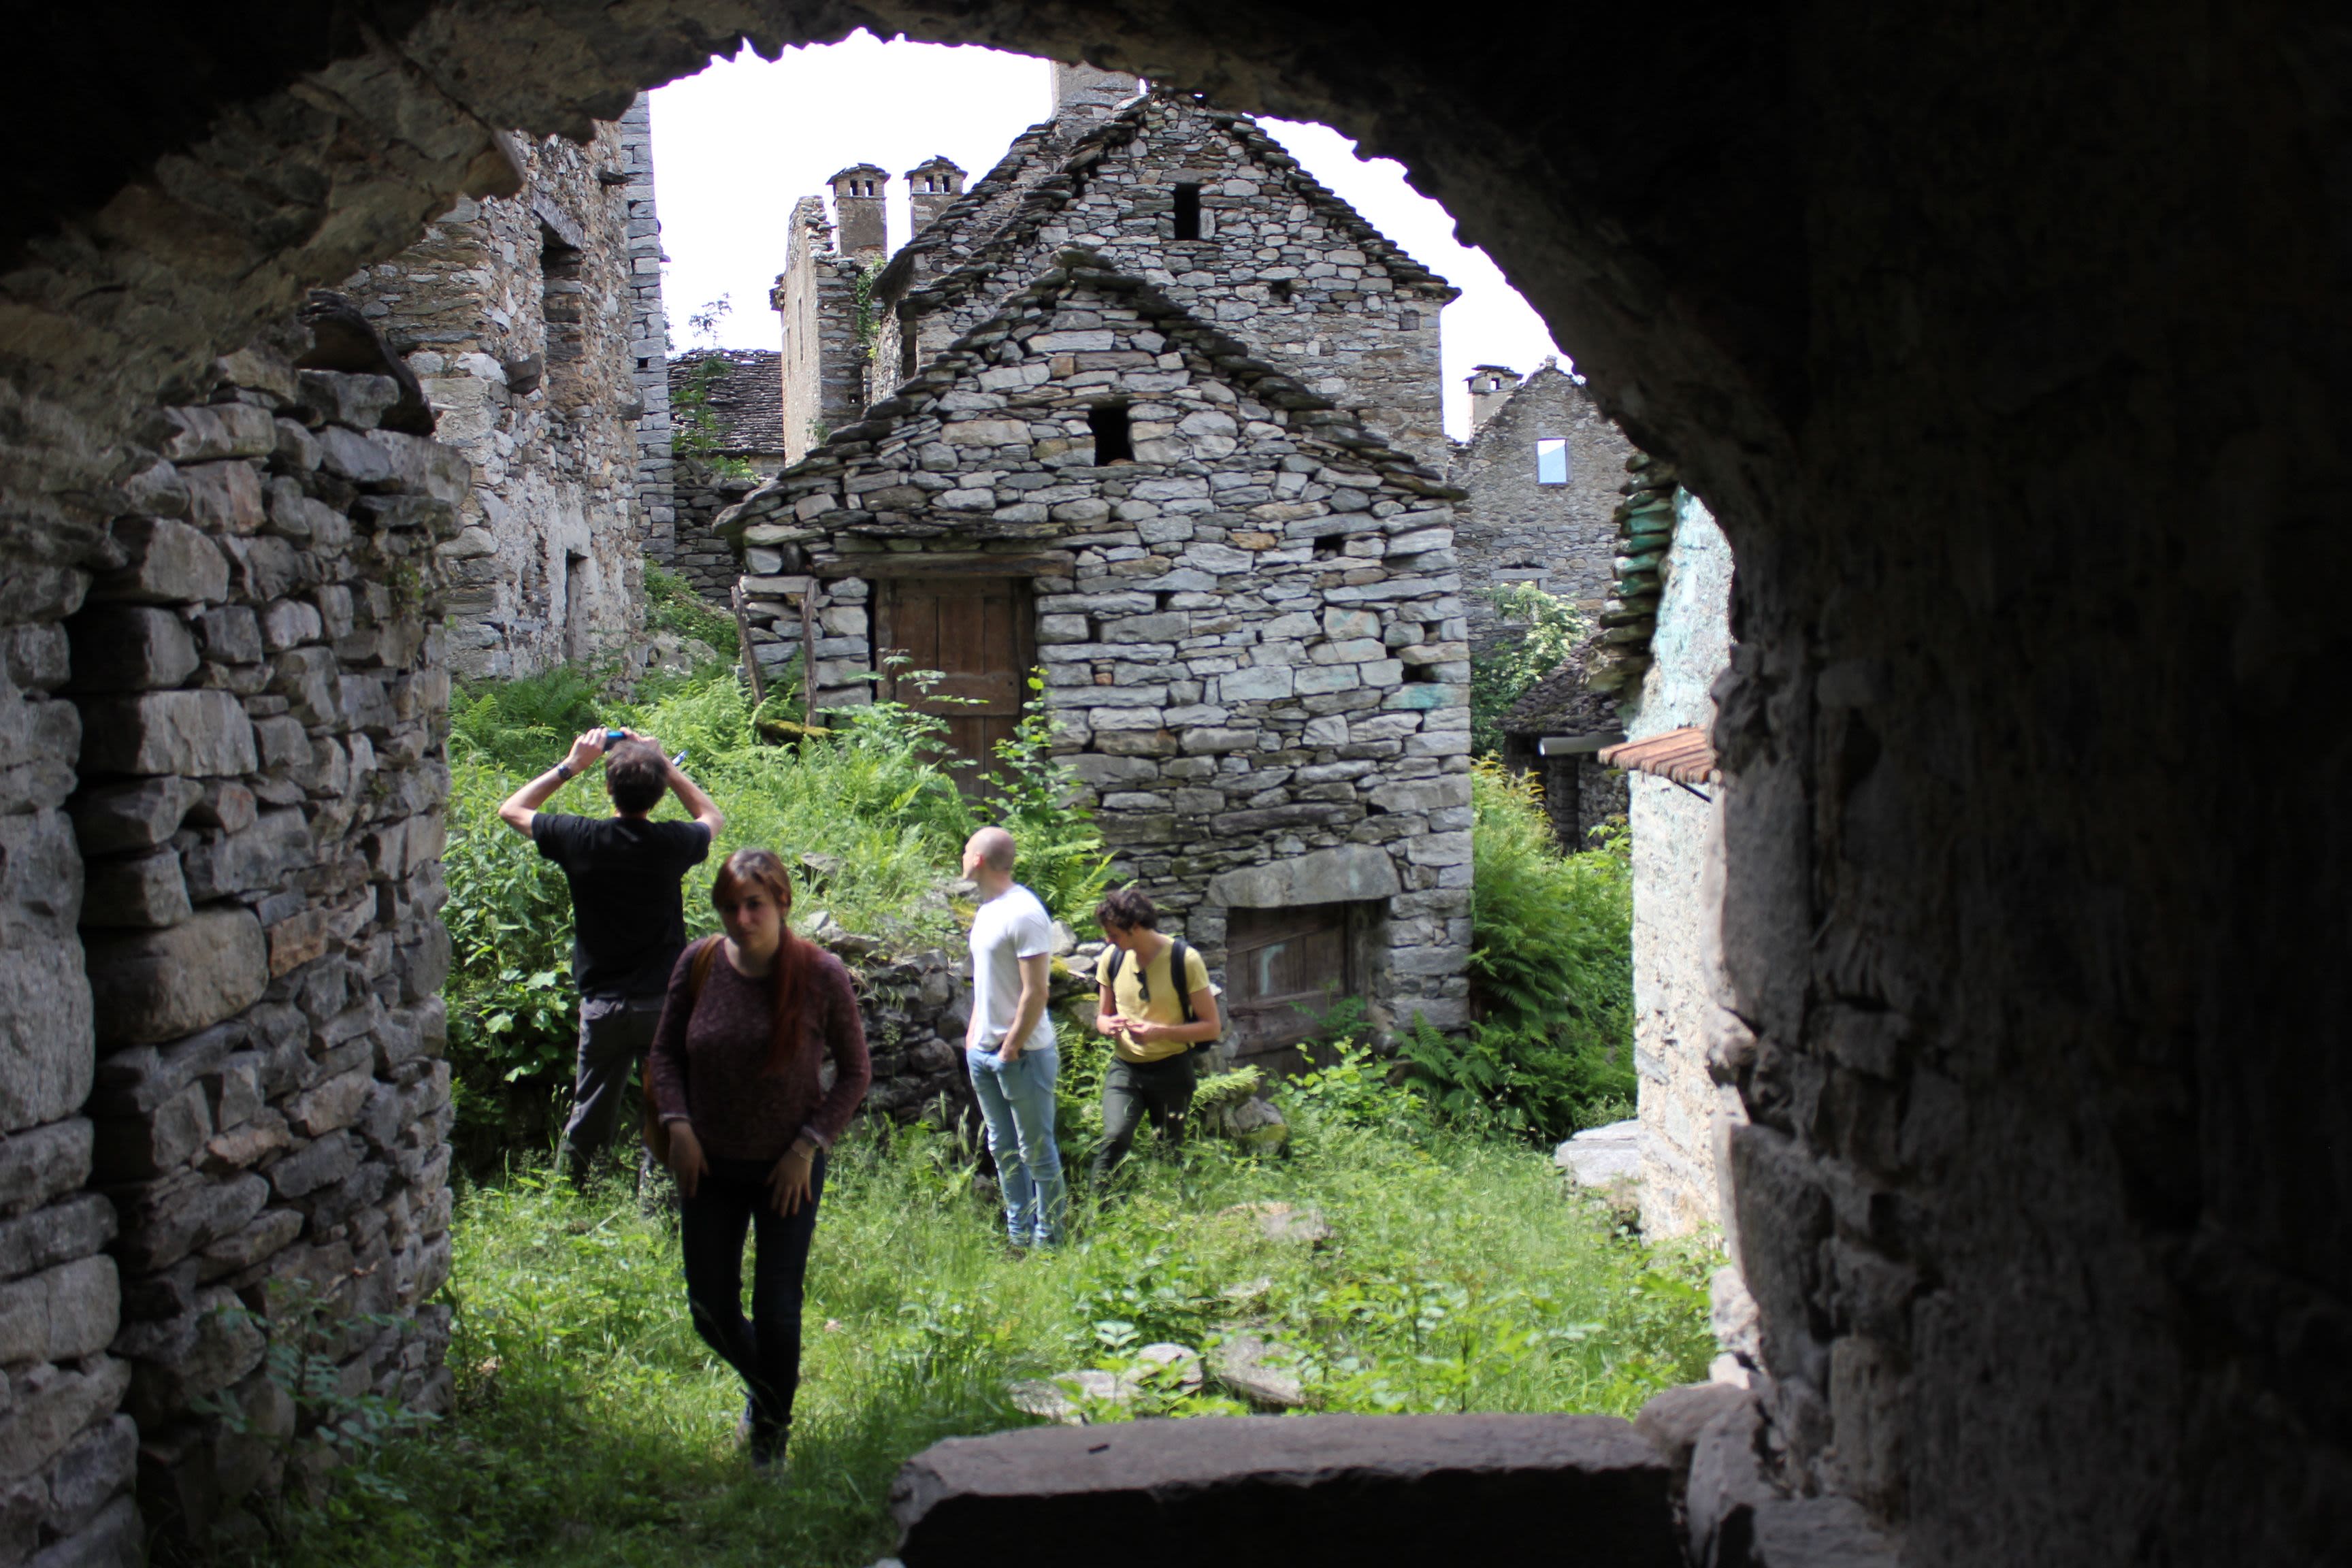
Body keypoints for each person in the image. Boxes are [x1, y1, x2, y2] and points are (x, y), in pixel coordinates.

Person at [649, 848, 870, 1469]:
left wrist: (807, 1147)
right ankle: (770, 1390)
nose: (741, 919)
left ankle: (770, 1439)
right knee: (709, 1310)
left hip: (785, 1171)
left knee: (777, 1311)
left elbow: (855, 1074)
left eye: (754, 905)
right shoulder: (698, 964)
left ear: (781, 903)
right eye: (729, 906)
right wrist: (679, 1126)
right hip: (708, 1166)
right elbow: (665, 1055)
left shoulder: (819, 973)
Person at [498, 728, 724, 1184]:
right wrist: (667, 766)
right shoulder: (671, 844)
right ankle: (657, 1205)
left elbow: (512, 809)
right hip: (663, 1002)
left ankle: (569, 1193)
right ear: (658, 794)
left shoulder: (580, 838)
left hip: (603, 1005)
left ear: (608, 788)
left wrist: (570, 765)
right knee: (665, 1109)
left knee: (590, 1113)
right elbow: (711, 816)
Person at [961, 826, 1066, 1248]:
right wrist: (974, 1037)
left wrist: (1011, 1047)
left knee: (1036, 1151)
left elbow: (1037, 990)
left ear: (981, 860)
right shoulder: (987, 909)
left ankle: (1050, 1242)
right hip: (985, 1052)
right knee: (1003, 1149)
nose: (962, 855)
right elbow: (987, 982)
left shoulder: (1024, 912)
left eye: (967, 849)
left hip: (1023, 1054)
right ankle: (1019, 1238)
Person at [1090, 888, 1221, 1181]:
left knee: (1169, 1152)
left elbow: (1212, 1027)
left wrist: (1159, 1033)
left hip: (1172, 1070)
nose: (1107, 941)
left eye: (1113, 935)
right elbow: (1102, 1016)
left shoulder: (1184, 960)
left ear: (1135, 928)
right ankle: (1096, 1214)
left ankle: (1169, 1212)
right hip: (1125, 1068)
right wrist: (1106, 1026)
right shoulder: (1111, 958)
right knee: (1114, 1137)